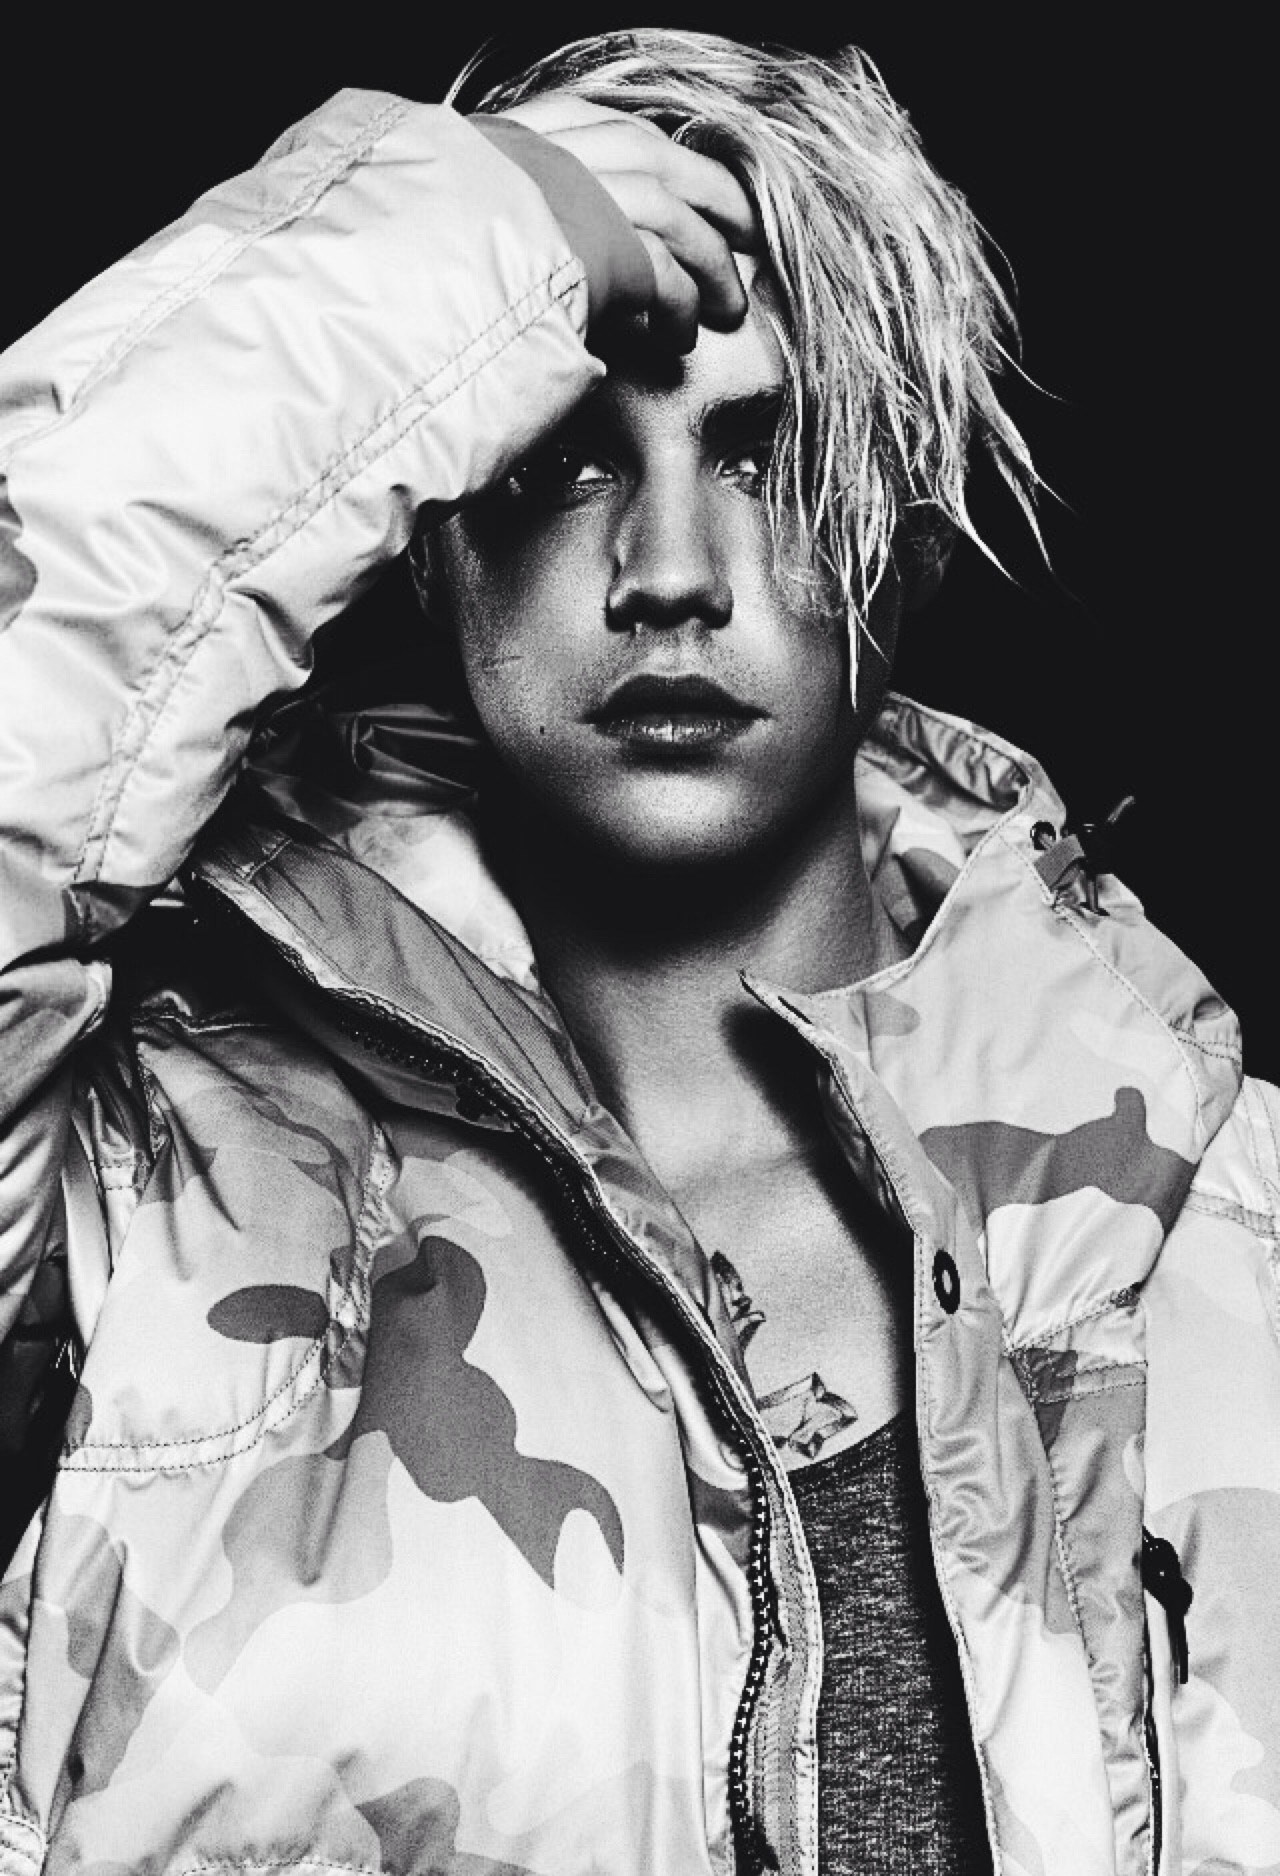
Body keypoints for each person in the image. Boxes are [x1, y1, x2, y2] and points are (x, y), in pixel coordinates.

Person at [0, 26, 1275, 1876]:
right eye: (563, 467)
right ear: (422, 542)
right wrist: (425, 263)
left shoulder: (1229, 1223)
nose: (670, 570)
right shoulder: (155, 1197)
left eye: (762, 453)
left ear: (902, 543)